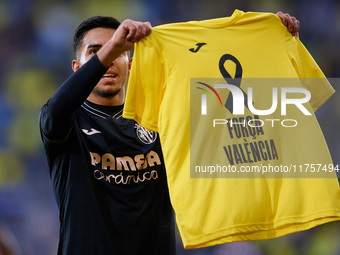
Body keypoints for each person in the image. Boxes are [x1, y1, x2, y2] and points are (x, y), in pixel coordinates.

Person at [39, 12, 300, 255]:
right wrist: (113, 47)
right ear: (77, 67)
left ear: (130, 64)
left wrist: (268, 44)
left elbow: (239, 120)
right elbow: (56, 110)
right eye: (95, 51)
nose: (109, 58)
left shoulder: (159, 117)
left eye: (118, 51)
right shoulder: (66, 121)